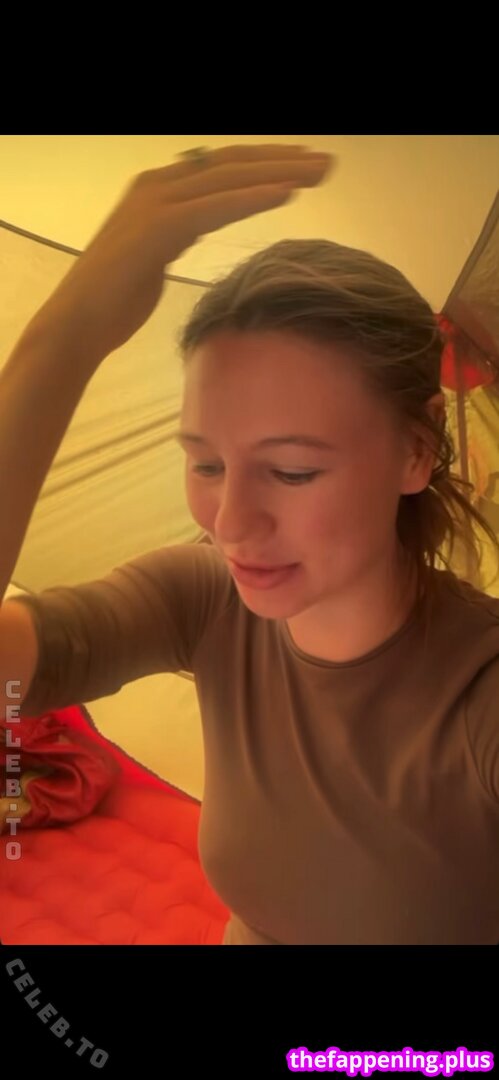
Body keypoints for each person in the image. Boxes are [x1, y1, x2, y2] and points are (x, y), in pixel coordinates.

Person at [1, 143, 499, 945]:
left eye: (292, 471)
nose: (228, 523)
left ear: (415, 448)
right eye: (205, 463)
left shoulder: (478, 694)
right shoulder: (205, 599)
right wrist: (67, 334)